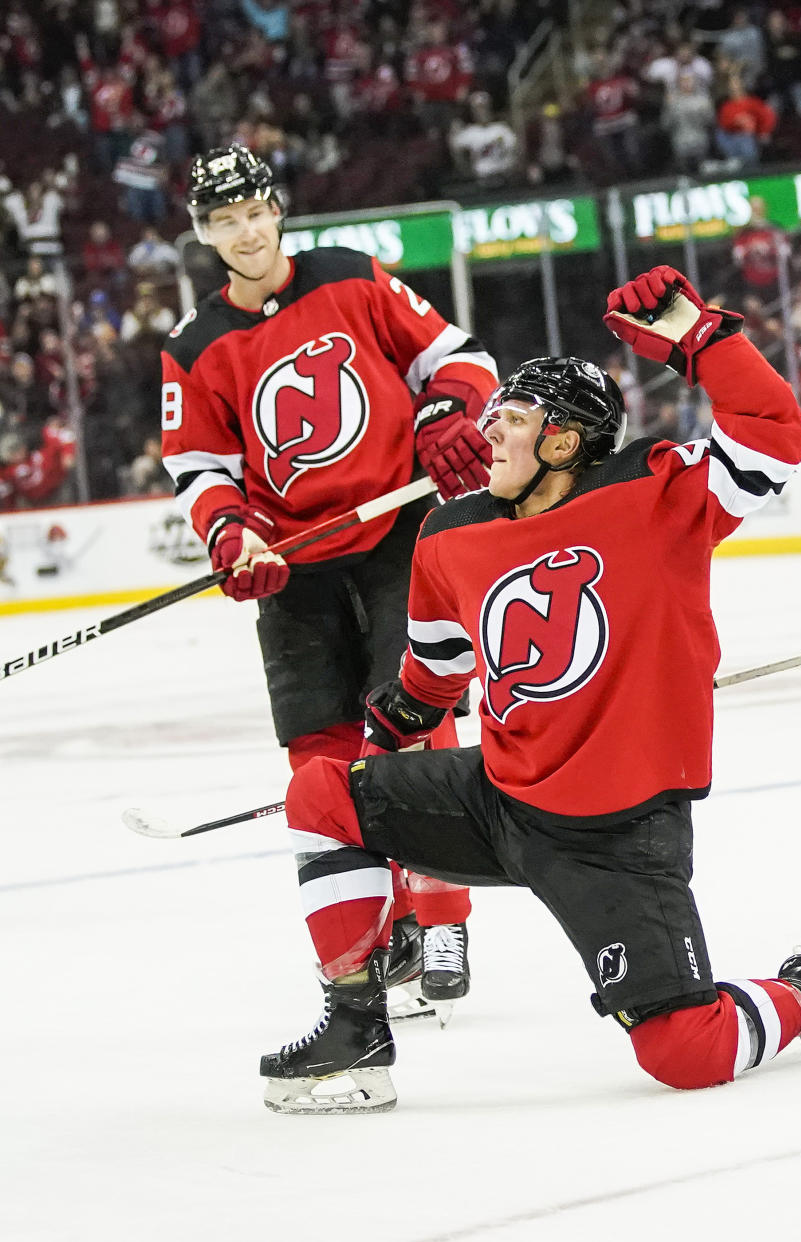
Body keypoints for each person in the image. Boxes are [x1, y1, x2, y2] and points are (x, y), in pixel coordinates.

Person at [258, 264, 801, 1114]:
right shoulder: (451, 534)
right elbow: (435, 668)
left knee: (686, 1051)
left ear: (566, 442)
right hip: (497, 799)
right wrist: (397, 720)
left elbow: (772, 435)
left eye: (514, 422)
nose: (488, 436)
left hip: (617, 838)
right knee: (320, 792)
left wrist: (698, 336)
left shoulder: (658, 494)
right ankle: (355, 1034)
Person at [160, 144, 499, 1020]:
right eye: (223, 219)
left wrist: (444, 411)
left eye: (253, 212)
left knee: (417, 724)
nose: (244, 231)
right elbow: (198, 466)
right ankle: (374, 932)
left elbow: (461, 360)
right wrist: (231, 531)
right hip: (292, 567)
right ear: (205, 233)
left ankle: (444, 915)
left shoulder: (349, 277)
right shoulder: (194, 345)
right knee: (322, 754)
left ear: (277, 211)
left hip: (397, 539)